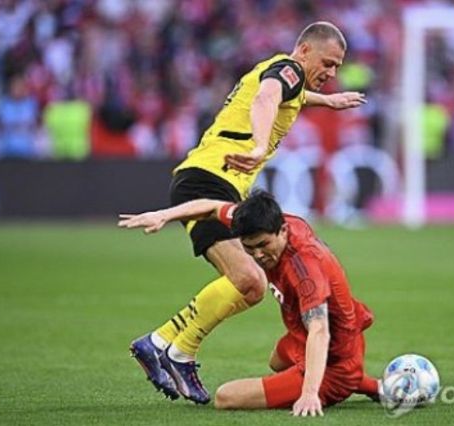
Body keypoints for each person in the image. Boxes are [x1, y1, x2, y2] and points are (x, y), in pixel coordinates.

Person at [124, 21, 367, 404]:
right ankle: (168, 345)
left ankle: (170, 346)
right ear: (304, 50)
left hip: (209, 182)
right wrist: (258, 145)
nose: (332, 72)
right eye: (328, 62)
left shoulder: (286, 75)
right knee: (250, 279)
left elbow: (289, 95)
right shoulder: (287, 70)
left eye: (337, 66)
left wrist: (328, 101)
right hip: (209, 180)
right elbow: (266, 98)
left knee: (251, 282)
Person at [119, 191, 380, 416]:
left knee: (226, 397)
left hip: (335, 360)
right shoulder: (263, 220)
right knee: (277, 361)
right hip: (307, 338)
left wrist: (310, 393)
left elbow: (320, 329)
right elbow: (211, 207)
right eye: (249, 248)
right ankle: (374, 386)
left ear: (283, 231)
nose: (258, 255)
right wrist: (164, 215)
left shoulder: (305, 268)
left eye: (263, 245)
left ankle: (345, 382)